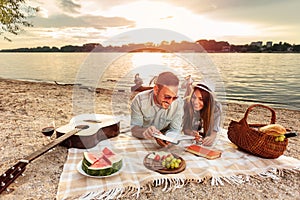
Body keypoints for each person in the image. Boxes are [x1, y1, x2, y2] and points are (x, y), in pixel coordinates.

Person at [130, 71, 184, 142]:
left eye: (174, 98)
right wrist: (145, 131)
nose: (170, 102)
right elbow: (134, 129)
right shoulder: (139, 100)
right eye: (167, 97)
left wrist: (168, 139)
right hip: (144, 139)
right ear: (156, 90)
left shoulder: (179, 103)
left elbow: (175, 130)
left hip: (164, 138)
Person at [182, 82, 222, 146]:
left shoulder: (216, 107)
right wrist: (191, 132)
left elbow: (215, 129)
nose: (195, 102)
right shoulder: (185, 103)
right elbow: (183, 126)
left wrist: (212, 137)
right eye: (194, 97)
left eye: (201, 99)